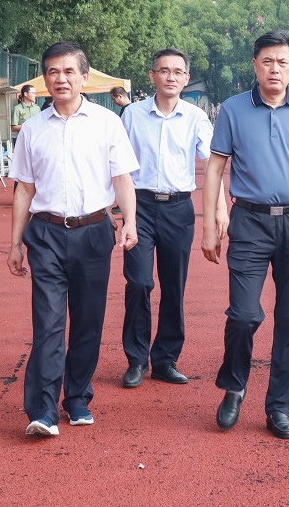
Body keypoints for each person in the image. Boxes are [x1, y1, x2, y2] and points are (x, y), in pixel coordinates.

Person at [202, 30, 289, 440]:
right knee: (243, 315)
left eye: (282, 62)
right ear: (255, 65)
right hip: (249, 222)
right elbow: (215, 168)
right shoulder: (232, 110)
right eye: (267, 61)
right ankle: (234, 385)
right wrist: (209, 225)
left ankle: (279, 407)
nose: (275, 69)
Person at [7, 41, 139, 437]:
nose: (60, 79)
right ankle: (43, 410)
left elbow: (122, 178)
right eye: (53, 72)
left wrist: (130, 222)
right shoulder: (32, 130)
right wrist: (15, 243)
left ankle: (78, 395)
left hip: (94, 233)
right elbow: (24, 189)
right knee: (48, 323)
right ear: (44, 79)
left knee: (88, 320)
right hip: (46, 233)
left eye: (68, 71)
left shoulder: (107, 123)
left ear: (84, 77)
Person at [119, 49, 227, 389]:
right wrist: (116, 210)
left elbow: (213, 165)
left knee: (173, 285)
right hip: (139, 206)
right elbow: (117, 164)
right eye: (164, 70)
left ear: (185, 78)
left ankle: (165, 359)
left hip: (178, 210)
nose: (171, 76)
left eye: (178, 71)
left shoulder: (196, 117)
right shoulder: (132, 114)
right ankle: (137, 359)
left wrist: (220, 207)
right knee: (139, 282)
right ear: (152, 75)